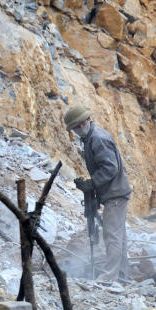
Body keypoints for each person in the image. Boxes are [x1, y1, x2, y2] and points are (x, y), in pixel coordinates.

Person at [63, 106, 132, 281]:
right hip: (114, 193)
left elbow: (111, 168)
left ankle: (109, 277)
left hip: (115, 195)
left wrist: (92, 183)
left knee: (112, 236)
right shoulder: (90, 138)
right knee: (119, 236)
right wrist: (91, 185)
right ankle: (122, 274)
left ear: (86, 121)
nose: (77, 131)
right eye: (74, 129)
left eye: (78, 127)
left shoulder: (97, 139)